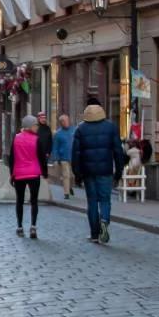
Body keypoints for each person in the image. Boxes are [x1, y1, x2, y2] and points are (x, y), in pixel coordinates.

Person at [72, 98, 125, 244]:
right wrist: (119, 171)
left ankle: (94, 234)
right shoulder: (110, 127)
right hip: (105, 171)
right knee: (105, 200)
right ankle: (104, 221)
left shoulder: (80, 129)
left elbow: (76, 154)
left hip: (88, 172)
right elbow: (118, 151)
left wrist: (77, 174)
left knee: (92, 202)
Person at [8, 115, 44, 238]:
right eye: (35, 125)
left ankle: (19, 227)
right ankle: (33, 227)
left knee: (20, 200)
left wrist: (12, 174)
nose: (37, 127)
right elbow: (42, 157)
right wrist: (44, 172)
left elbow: (11, 158)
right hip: (34, 173)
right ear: (29, 126)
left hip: (19, 174)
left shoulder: (16, 138)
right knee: (34, 201)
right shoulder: (37, 140)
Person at [51, 114, 76, 199]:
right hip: (63, 158)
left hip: (74, 157)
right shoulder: (58, 134)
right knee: (66, 175)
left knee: (72, 175)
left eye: (67, 120)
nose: (66, 122)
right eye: (64, 121)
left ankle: (69, 187)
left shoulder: (74, 130)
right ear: (61, 123)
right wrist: (55, 158)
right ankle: (66, 193)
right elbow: (55, 147)